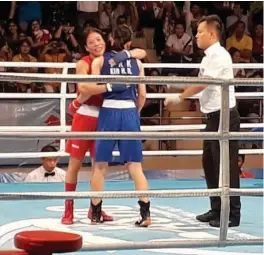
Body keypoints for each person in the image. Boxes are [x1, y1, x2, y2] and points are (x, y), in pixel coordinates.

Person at [62, 27, 147, 225]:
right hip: (85, 117)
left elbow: (140, 53)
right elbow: (83, 88)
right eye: (91, 42)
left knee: (98, 165)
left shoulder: (113, 59)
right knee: (75, 164)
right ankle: (68, 210)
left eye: (99, 40)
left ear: (106, 40)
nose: (96, 44)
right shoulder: (84, 62)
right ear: (86, 46)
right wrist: (110, 86)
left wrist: (127, 54)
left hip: (105, 116)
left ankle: (95, 210)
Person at [164, 15, 241, 228]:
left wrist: (180, 96)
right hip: (212, 117)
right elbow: (200, 83)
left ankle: (232, 214)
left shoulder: (218, 55)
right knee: (210, 164)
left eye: (199, 32)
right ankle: (216, 208)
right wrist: (178, 86)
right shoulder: (208, 56)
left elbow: (203, 84)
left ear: (212, 34)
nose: (196, 36)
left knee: (226, 166)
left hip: (224, 116)